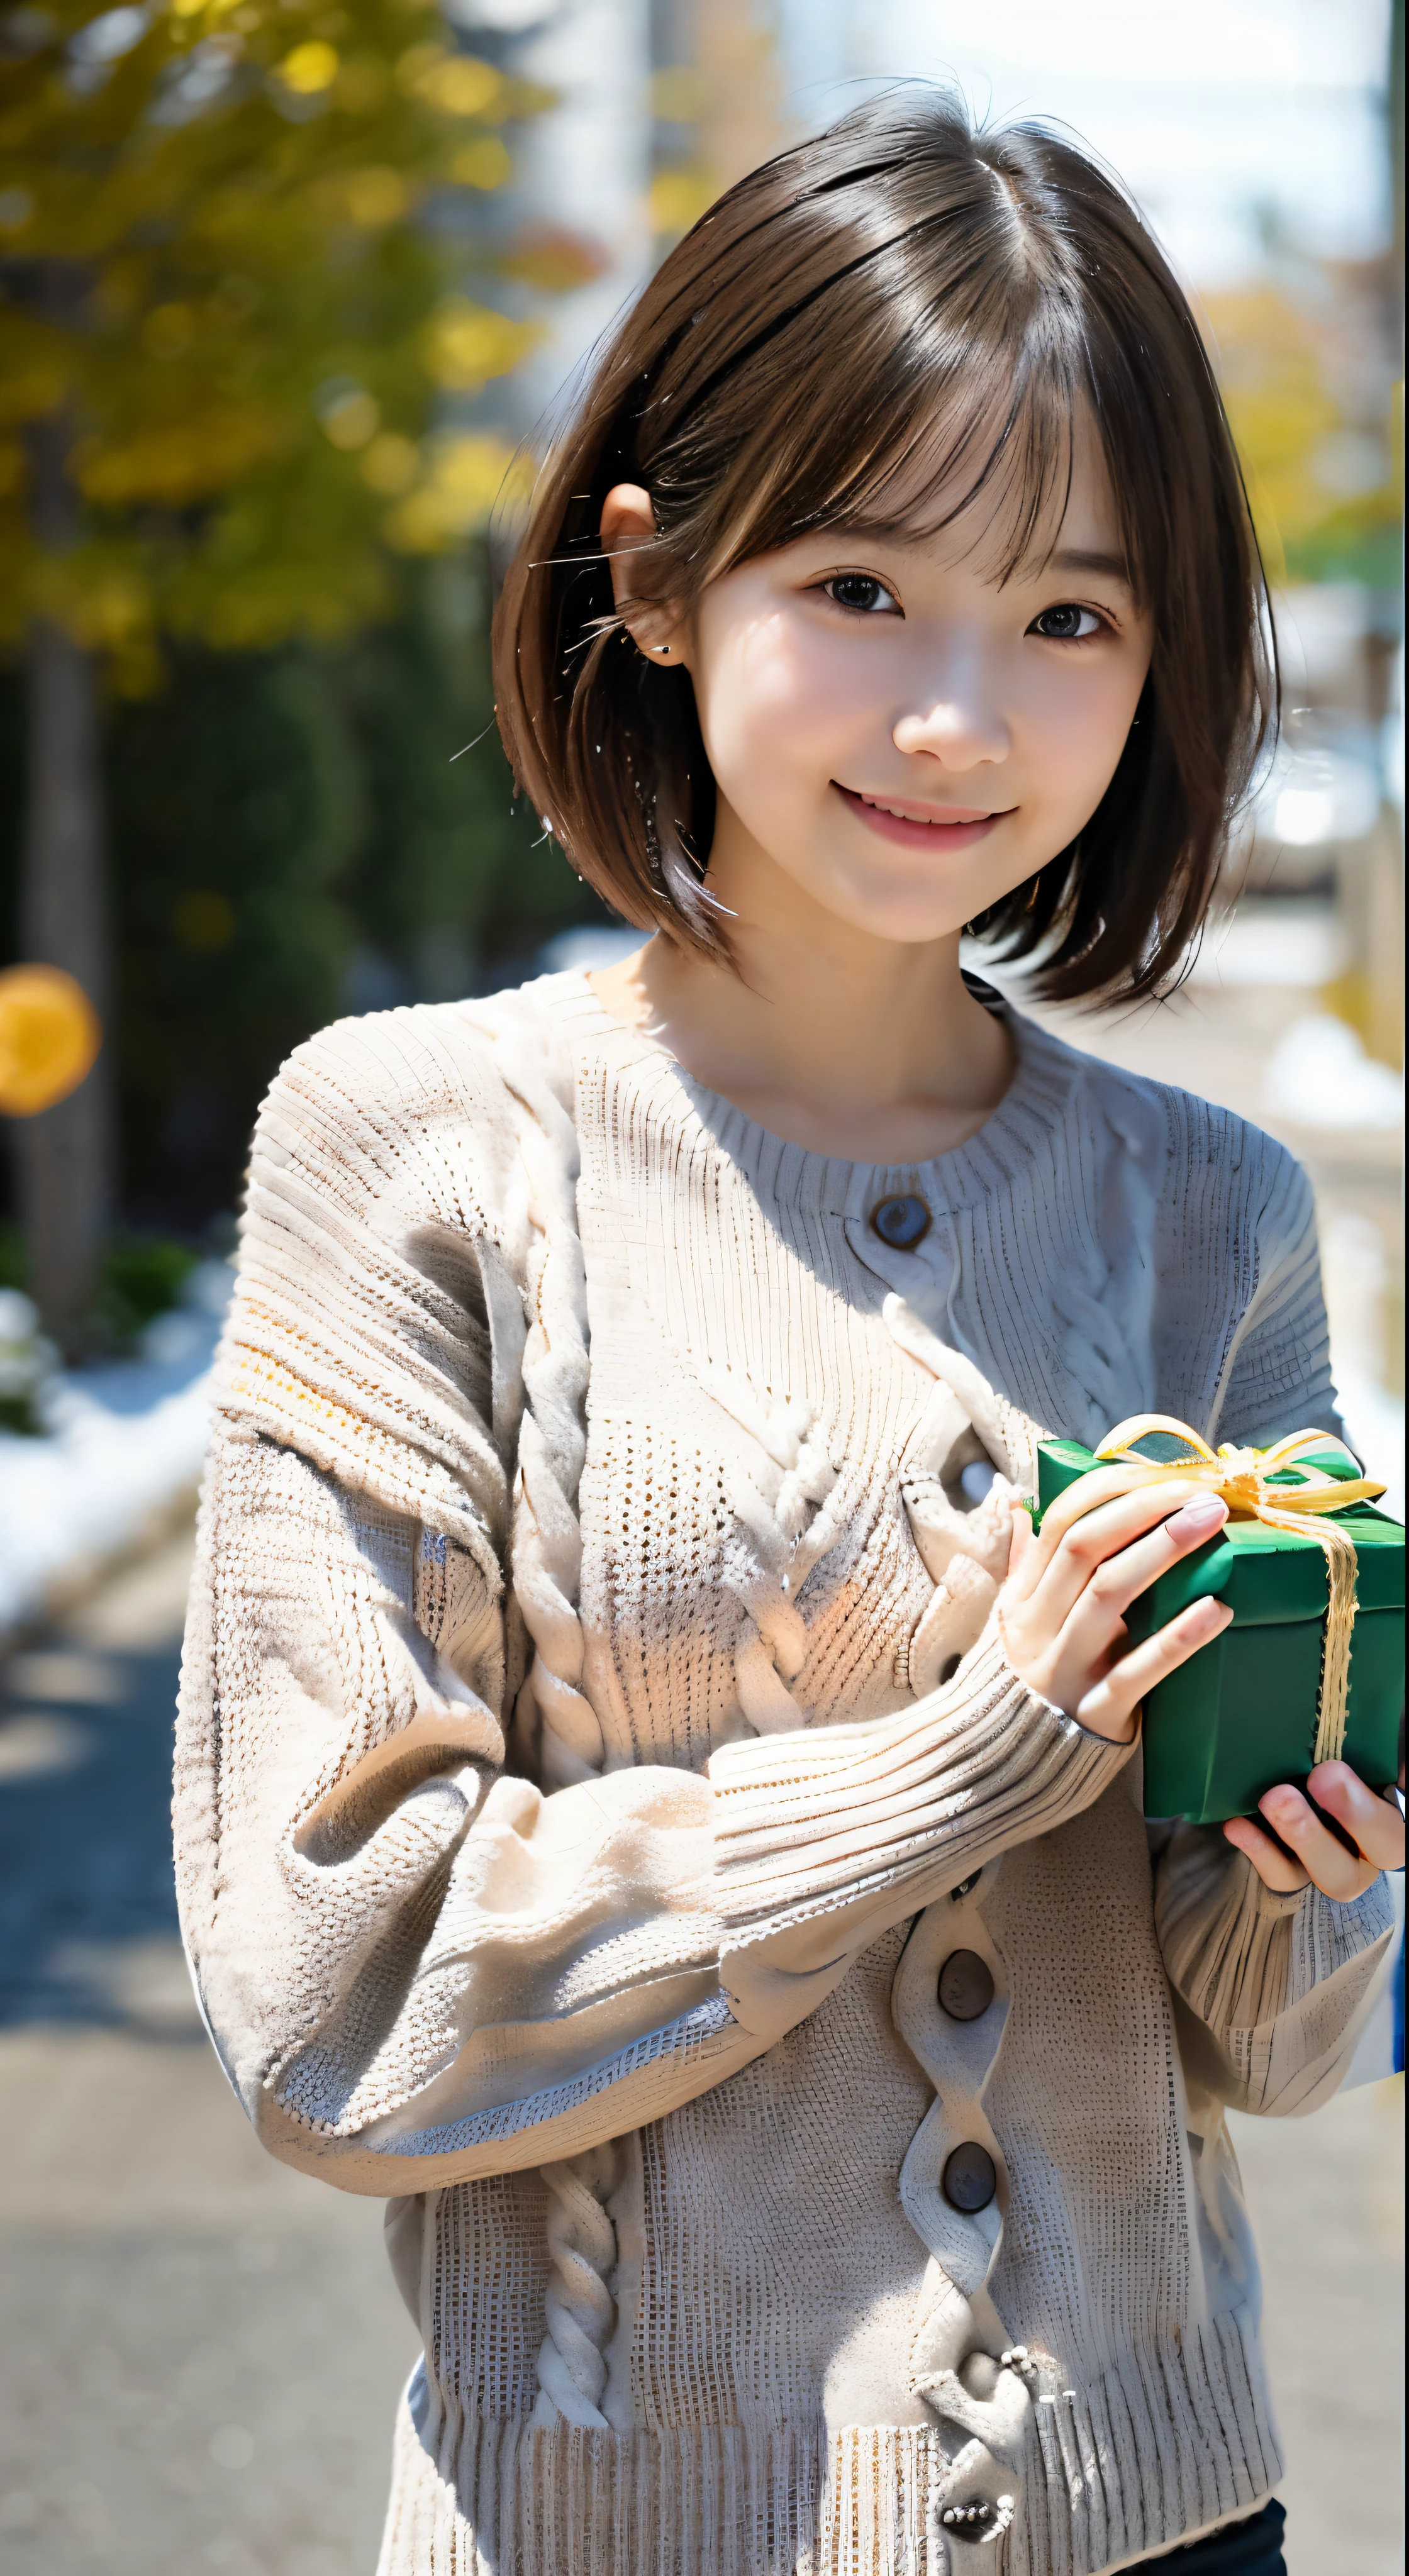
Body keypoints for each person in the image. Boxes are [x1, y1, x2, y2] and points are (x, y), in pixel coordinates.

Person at [174, 92, 1402, 2576]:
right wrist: (963, 1755)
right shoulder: (416, 1148)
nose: (957, 712)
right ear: (646, 575)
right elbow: (336, 2005)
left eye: (1068, 614)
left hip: (1163, 2521)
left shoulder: (1210, 1215)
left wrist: (1309, 1864)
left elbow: (1263, 2045)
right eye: (859, 583)